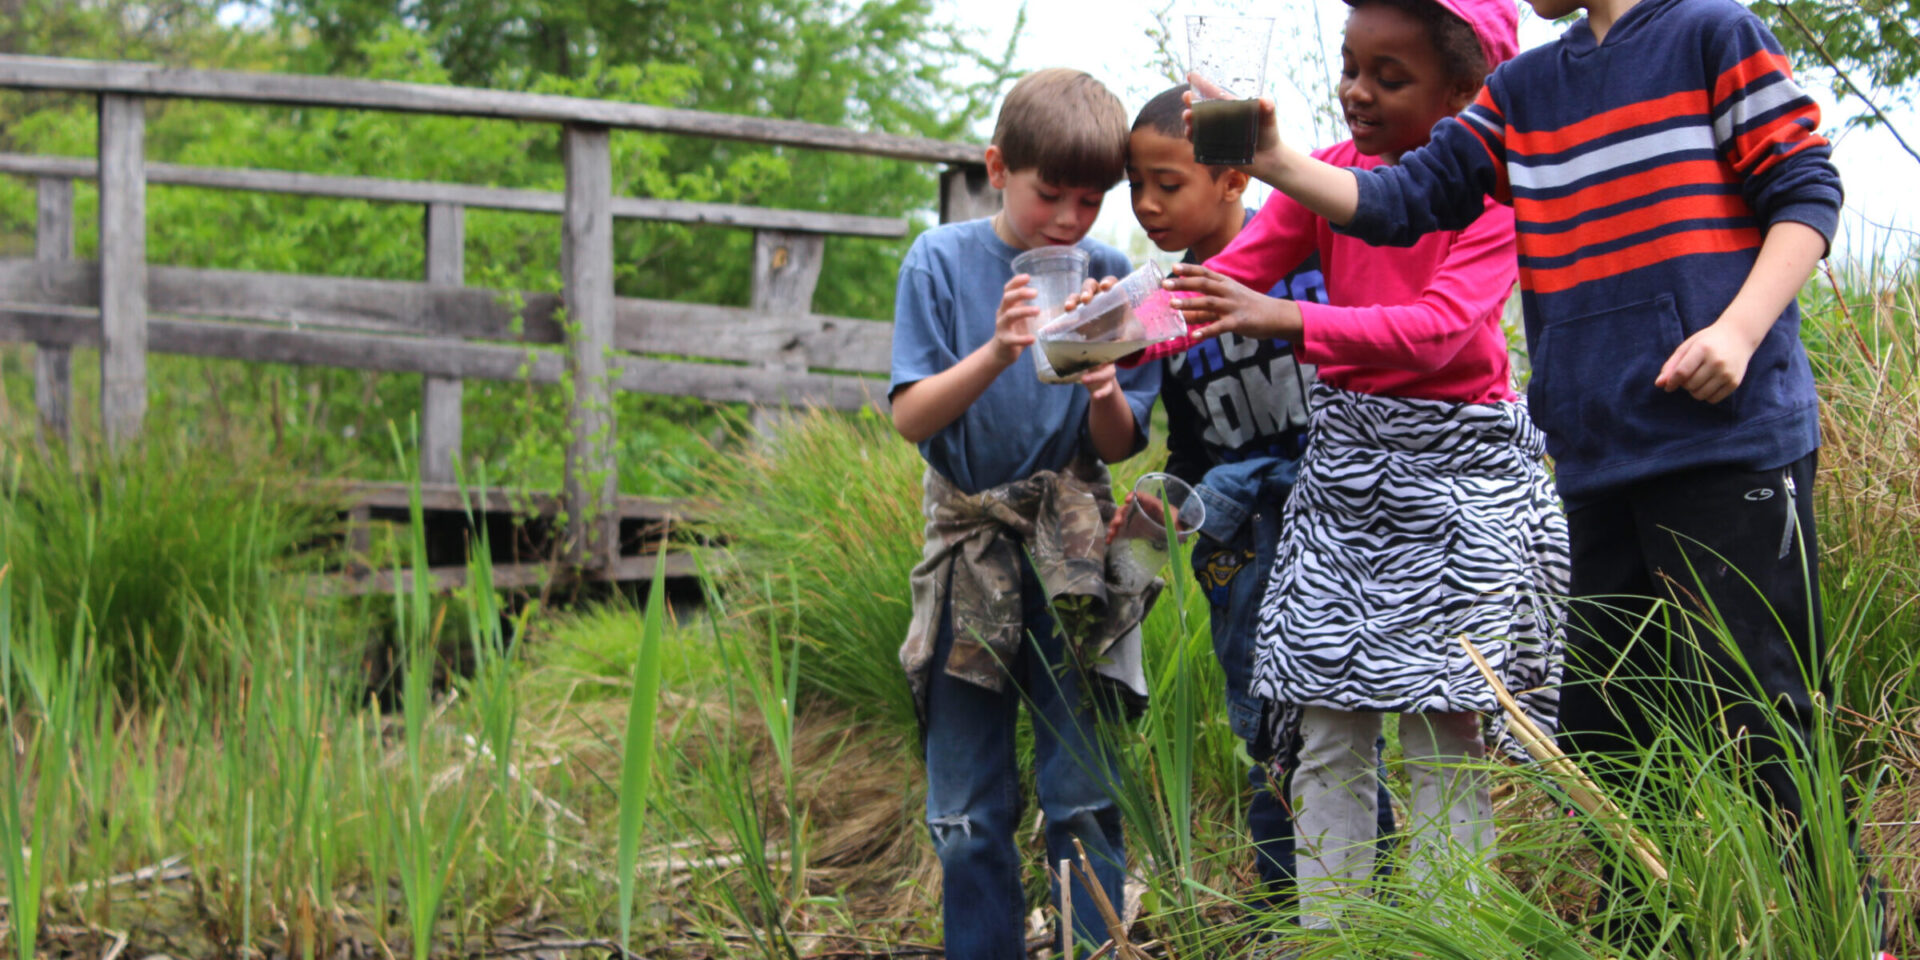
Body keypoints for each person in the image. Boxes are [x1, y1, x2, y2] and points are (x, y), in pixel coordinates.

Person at [1183, 0, 1851, 944]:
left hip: (1724, 438)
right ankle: (1660, 933)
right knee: (1612, 734)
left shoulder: (1713, 33)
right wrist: (1275, 158)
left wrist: (1738, 331)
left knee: (1762, 711)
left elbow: (1807, 188)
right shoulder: (1526, 91)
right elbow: (1404, 198)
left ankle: (1838, 930)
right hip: (1595, 457)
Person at [1165, 0, 1569, 928]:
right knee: (1326, 728)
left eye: (1391, 77)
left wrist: (1291, 323)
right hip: (1346, 473)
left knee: (1441, 730)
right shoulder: (1332, 179)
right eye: (1352, 66)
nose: (1356, 91)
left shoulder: (1500, 194)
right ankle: (1334, 935)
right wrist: (1107, 335)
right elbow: (1223, 287)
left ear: (1470, 94)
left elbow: (1435, 332)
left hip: (1458, 477)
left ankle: (1445, 936)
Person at [888, 67, 1162, 960]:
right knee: (966, 812)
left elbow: (1119, 447)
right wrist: (999, 350)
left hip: (1072, 551)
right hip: (972, 551)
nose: (1071, 221)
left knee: (1081, 792)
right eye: (1053, 194)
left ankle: (1095, 945)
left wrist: (1106, 383)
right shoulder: (939, 260)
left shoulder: (1115, 276)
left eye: (1093, 200)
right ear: (998, 167)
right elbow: (911, 416)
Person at [1118, 84, 1396, 912]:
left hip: (1337, 520)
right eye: (1135, 185)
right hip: (1242, 544)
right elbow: (1193, 444)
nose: (1146, 204)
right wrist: (1176, 503)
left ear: (1235, 182)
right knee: (1264, 726)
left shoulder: (1312, 260)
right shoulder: (1162, 308)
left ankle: (1371, 902)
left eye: (1168, 184)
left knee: (1349, 718)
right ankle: (1288, 902)